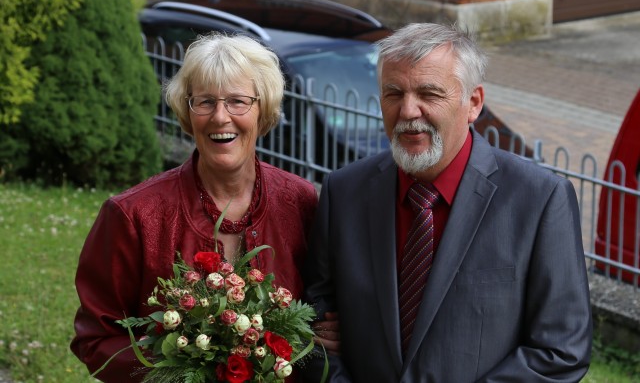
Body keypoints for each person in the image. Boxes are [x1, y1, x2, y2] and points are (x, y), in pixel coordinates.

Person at [302, 23, 592, 382]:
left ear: (473, 103)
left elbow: (561, 351)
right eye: (393, 93)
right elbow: (313, 325)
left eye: (429, 93)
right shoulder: (343, 192)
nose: (408, 111)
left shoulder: (539, 200)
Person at [71, 33, 335, 381]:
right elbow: (96, 339)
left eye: (238, 101)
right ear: (187, 111)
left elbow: (320, 310)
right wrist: (180, 368)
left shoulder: (300, 201)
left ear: (263, 110)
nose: (220, 117)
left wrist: (323, 333)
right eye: (205, 102)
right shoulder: (133, 215)